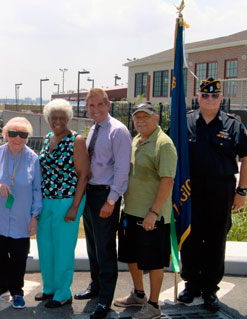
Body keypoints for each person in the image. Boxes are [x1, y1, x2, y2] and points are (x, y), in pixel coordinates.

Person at [179, 78, 247, 312]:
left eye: (214, 96)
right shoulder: (187, 122)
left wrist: (241, 191)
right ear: (198, 97)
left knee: (215, 240)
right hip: (190, 191)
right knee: (190, 239)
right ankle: (191, 284)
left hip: (221, 190)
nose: (210, 99)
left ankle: (210, 289)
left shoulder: (233, 125)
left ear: (221, 98)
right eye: (205, 95)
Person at [113, 103, 177, 319]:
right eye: (137, 117)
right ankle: (139, 295)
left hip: (152, 216)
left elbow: (167, 180)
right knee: (132, 256)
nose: (140, 121)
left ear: (156, 118)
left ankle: (153, 305)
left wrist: (153, 212)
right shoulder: (136, 140)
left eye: (145, 117)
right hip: (131, 211)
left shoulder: (163, 144)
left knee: (153, 261)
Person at [75, 88, 132, 319]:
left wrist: (111, 200)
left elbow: (122, 169)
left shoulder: (118, 131)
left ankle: (105, 300)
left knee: (106, 249)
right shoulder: (94, 129)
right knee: (93, 246)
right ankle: (95, 286)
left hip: (105, 195)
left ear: (108, 105)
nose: (95, 109)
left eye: (100, 105)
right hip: (90, 194)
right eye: (91, 106)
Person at [36, 99, 89, 308]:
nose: (57, 121)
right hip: (47, 201)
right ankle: (49, 287)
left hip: (67, 201)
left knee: (64, 249)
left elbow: (84, 175)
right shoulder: (47, 137)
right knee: (46, 246)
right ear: (48, 119)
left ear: (69, 118)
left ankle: (63, 292)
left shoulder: (76, 140)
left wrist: (75, 207)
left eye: (62, 117)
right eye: (53, 117)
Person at [0, 117, 42, 310]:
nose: (17, 138)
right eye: (13, 134)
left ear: (27, 137)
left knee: (19, 257)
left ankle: (17, 291)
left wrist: (34, 217)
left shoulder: (33, 159)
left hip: (22, 219)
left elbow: (37, 191)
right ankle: (0, 286)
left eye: (23, 134)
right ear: (5, 135)